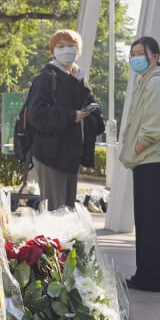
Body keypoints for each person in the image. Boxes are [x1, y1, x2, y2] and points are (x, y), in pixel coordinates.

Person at [119, 36, 160, 292]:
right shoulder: (149, 80)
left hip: (152, 159)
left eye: (140, 53)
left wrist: (137, 148)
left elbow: (153, 127)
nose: (135, 58)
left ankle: (149, 278)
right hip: (151, 160)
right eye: (132, 54)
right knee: (155, 219)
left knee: (149, 221)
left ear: (155, 56)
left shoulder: (156, 83)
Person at [26, 28, 104, 210]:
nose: (66, 50)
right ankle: (53, 239)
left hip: (71, 155)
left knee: (67, 210)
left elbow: (95, 117)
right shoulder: (46, 78)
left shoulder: (79, 79)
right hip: (50, 154)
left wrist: (90, 115)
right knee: (56, 210)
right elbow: (36, 116)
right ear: (52, 51)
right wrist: (72, 116)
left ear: (78, 51)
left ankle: (65, 239)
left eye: (71, 46)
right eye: (61, 46)